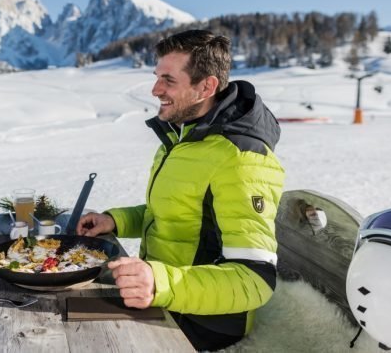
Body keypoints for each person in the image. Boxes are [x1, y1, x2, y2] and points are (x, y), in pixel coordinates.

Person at [77, 30, 285, 351]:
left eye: (168, 80)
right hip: (162, 295)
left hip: (204, 321)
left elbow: (255, 279)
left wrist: (159, 283)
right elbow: (176, 211)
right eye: (157, 76)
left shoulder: (241, 159)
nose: (155, 89)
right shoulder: (181, 137)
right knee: (63, 305)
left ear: (206, 86)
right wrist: (115, 221)